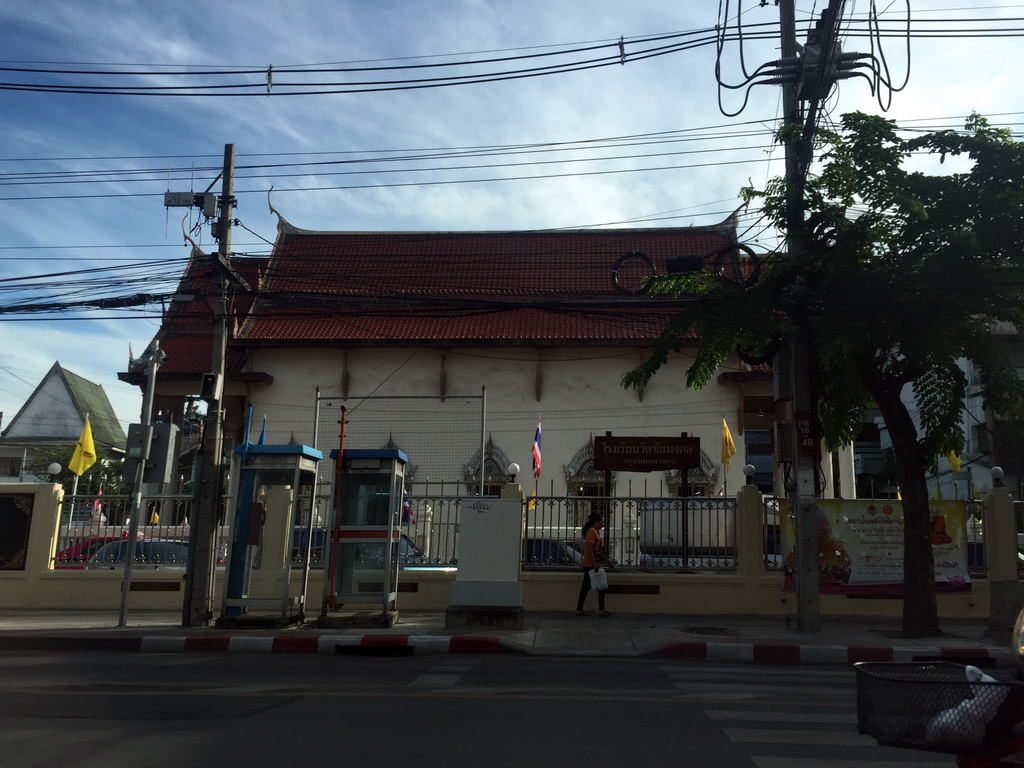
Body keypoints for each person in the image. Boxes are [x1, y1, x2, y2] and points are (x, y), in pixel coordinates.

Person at [576, 512, 612, 617]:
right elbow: (589, 549)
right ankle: (599, 609)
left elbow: (600, 551)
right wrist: (594, 563)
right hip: (589, 564)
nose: (603, 524)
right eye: (602, 522)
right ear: (596, 522)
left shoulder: (596, 532)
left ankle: (584, 609)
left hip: (591, 564)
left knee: (595, 587)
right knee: (596, 586)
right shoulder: (592, 532)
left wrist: (608, 562)